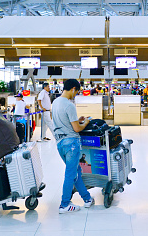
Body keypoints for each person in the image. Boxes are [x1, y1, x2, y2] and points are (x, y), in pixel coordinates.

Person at [51, 79, 94, 213]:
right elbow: (76, 129)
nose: (76, 94)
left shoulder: (56, 102)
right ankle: (64, 204)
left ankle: (87, 199)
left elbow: (65, 121)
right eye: (77, 92)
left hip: (60, 144)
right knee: (71, 174)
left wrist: (77, 120)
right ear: (73, 89)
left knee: (76, 172)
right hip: (71, 144)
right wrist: (85, 122)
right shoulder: (69, 105)